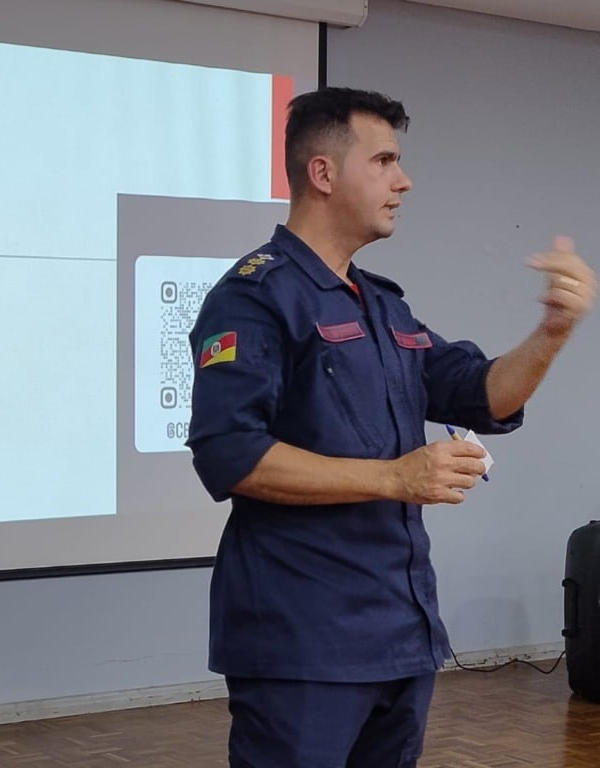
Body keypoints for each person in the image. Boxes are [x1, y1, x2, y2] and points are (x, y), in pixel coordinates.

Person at [186, 87, 596, 768]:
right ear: (322, 173)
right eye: (383, 161)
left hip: (399, 631)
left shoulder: (382, 306)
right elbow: (229, 453)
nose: (403, 181)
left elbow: (481, 394)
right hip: (302, 639)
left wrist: (552, 332)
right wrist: (396, 477)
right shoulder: (254, 296)